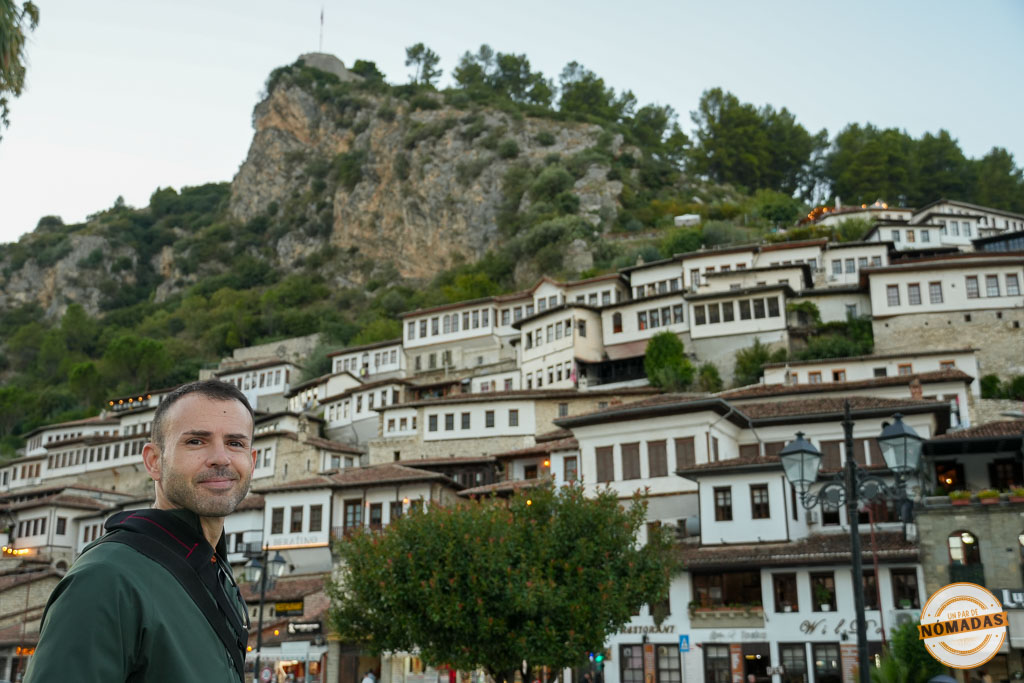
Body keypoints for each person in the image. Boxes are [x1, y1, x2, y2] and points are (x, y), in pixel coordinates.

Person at [25, 380, 259, 682]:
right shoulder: (107, 578)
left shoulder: (216, 574)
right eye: (196, 442)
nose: (221, 457)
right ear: (154, 461)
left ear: (251, 463)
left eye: (235, 443)